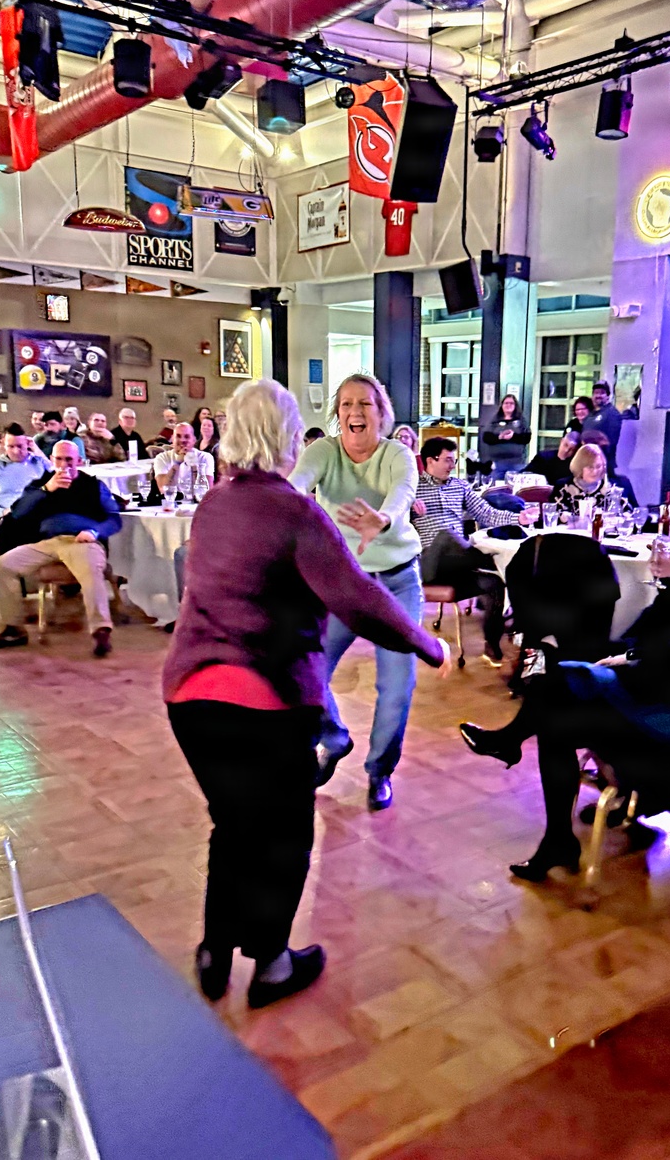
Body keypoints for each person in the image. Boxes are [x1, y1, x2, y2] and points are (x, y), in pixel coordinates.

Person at [163, 379, 448, 1008]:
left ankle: (214, 950)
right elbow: (356, 597)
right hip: (262, 703)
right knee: (285, 831)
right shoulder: (294, 511)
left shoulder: (215, 502)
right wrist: (428, 644)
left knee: (233, 822)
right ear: (291, 437)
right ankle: (269, 965)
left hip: (189, 698)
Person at [459, 493, 670, 881]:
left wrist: (627, 670)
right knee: (556, 700)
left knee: (561, 684)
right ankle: (553, 831)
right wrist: (665, 589)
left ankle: (526, 771)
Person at [289, 373, 424, 811]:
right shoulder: (324, 451)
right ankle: (334, 738)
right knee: (305, 668)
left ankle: (379, 771)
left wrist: (382, 520)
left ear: (381, 414)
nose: (354, 412)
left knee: (396, 686)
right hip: (342, 583)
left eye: (365, 404)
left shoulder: (396, 453)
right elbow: (296, 482)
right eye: (346, 404)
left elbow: (403, 490)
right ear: (337, 414)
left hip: (397, 582)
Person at [0, 440, 122, 657]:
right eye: (58, 459)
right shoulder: (40, 485)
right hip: (47, 543)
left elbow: (114, 519)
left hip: (81, 540)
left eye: (69, 460)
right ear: (51, 460)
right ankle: (13, 629)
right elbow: (18, 512)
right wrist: (47, 489)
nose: (64, 465)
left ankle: (100, 630)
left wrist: (95, 532)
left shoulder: (93, 485)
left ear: (79, 461)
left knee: (89, 569)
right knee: (4, 565)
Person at [413, 436, 535, 666]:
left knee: (494, 584)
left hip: (459, 562)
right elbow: (392, 520)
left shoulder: (460, 486)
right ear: (431, 460)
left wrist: (518, 517)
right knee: (446, 536)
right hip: (429, 562)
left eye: (454, 459)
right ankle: (489, 559)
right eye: (448, 460)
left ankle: (491, 642)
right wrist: (407, 507)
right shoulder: (412, 487)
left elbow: (486, 513)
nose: (452, 464)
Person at [0, 425, 52, 522]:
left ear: (27, 444)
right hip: (7, 516)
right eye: (11, 446)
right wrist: (3, 512)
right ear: (4, 446)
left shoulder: (38, 462)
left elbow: (56, 474)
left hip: (35, 514)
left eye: (20, 446)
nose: (16, 451)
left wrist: (37, 450)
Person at [552, 443, 613, 518]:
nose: (595, 471)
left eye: (598, 466)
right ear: (580, 467)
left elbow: (627, 515)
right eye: (590, 467)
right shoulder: (563, 487)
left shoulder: (611, 488)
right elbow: (551, 515)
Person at [480, 394, 531, 480]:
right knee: (496, 489)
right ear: (502, 405)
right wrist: (499, 437)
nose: (508, 405)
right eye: (506, 403)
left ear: (515, 406)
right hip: (497, 463)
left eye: (511, 403)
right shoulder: (494, 420)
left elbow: (526, 438)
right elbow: (486, 437)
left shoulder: (521, 420)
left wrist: (513, 436)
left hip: (517, 463)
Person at [153, 422, 215, 493]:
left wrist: (194, 466)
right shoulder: (162, 458)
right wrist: (177, 463)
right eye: (178, 436)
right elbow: (163, 490)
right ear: (172, 439)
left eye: (187, 436)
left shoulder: (205, 457)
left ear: (194, 440)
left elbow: (207, 492)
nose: (182, 440)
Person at [588, 381, 622, 465]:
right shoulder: (591, 413)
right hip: (588, 459)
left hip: (603, 461)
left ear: (608, 396)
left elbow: (611, 440)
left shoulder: (612, 413)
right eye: (596, 393)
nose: (598, 396)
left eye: (602, 393)